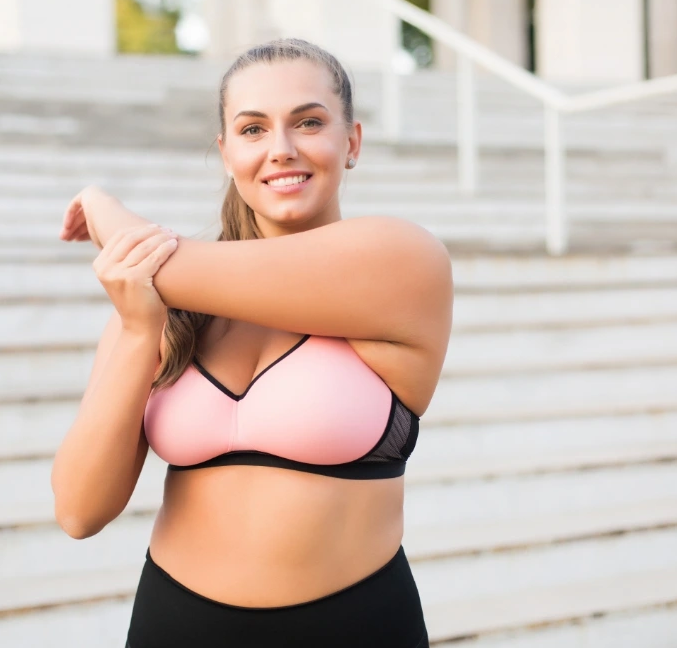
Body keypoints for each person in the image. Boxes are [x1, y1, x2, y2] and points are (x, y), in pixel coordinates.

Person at [50, 38, 453, 647]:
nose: (281, 150)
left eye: (309, 122)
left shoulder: (402, 260)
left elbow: (161, 263)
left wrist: (102, 206)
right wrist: (139, 332)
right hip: (174, 625)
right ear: (226, 152)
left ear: (352, 142)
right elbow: (79, 510)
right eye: (253, 129)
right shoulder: (162, 305)